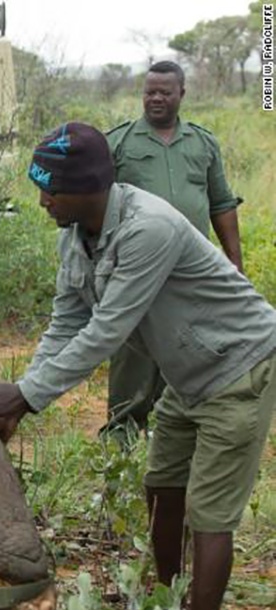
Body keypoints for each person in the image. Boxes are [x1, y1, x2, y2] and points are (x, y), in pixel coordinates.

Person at [0, 122, 275, 610]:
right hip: (187, 373)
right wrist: (21, 398)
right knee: (161, 487)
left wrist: (26, 396)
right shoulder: (74, 238)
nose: (43, 201)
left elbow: (106, 331)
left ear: (87, 187)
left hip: (239, 366)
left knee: (210, 513)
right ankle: (170, 596)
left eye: (50, 190)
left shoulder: (147, 228)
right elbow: (66, 322)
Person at [102, 60, 244, 440]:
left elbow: (221, 203)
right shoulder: (119, 143)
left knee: (187, 348)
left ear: (182, 93)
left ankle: (172, 433)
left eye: (165, 91)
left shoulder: (202, 142)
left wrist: (234, 263)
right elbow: (97, 207)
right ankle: (122, 435)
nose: (156, 98)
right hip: (137, 269)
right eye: (150, 91)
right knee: (133, 353)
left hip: (191, 272)